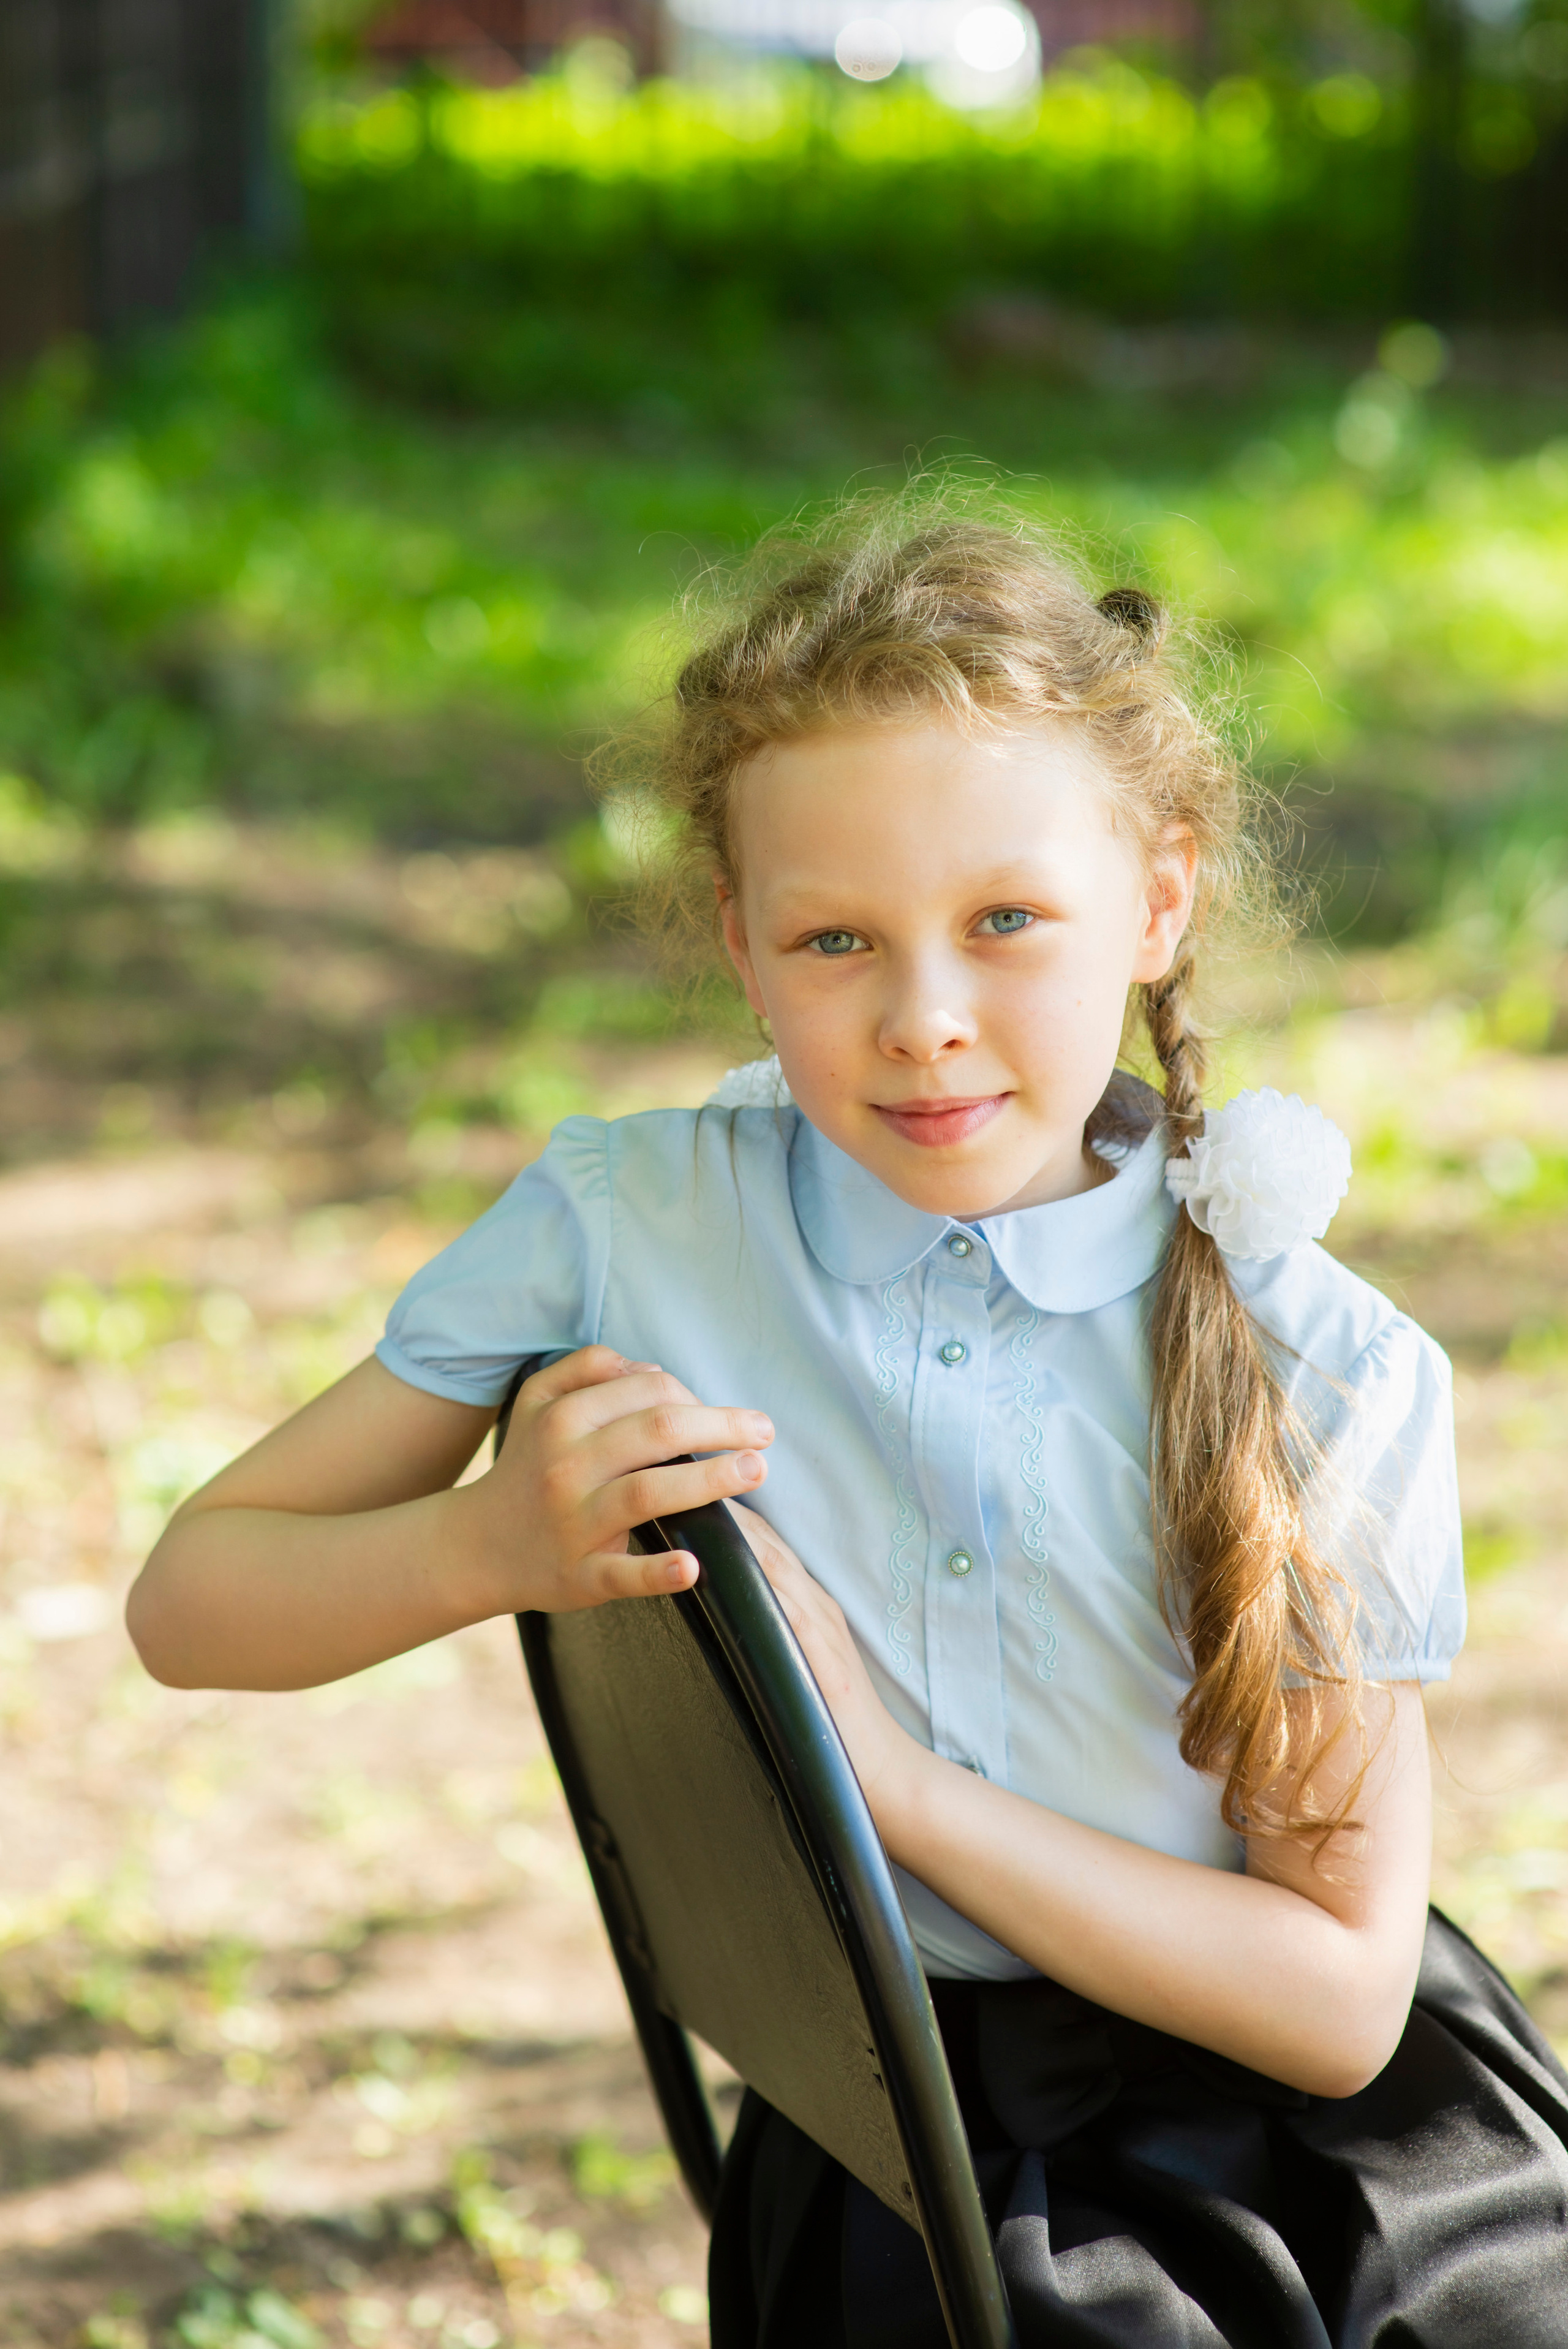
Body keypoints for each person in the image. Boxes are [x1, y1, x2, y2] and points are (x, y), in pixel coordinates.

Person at [128, 495, 1568, 2345]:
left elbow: (1336, 2001)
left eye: (1008, 921)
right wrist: (487, 1544)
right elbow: (193, 1598)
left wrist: (893, 1787)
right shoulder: (628, 1227)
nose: (927, 1020)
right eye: (835, 943)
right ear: (738, 941)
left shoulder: (1321, 1361)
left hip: (1321, 2157)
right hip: (919, 2139)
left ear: (1160, 899)